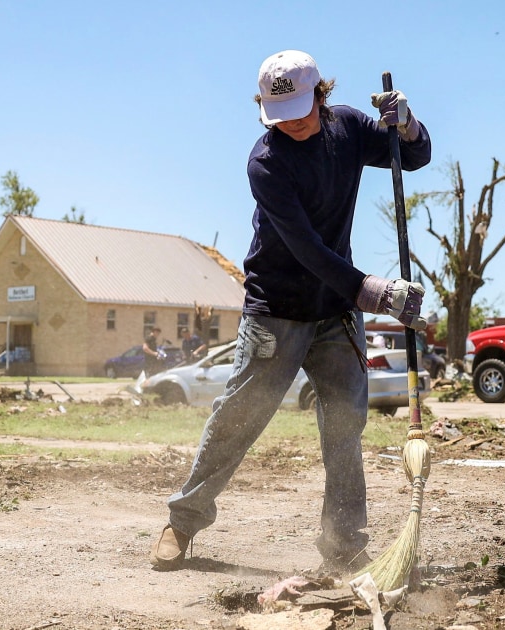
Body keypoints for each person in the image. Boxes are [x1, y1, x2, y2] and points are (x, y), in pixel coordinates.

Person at [151, 49, 431, 572]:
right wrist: (371, 290)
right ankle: (182, 522)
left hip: (335, 311)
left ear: (321, 96)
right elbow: (304, 247)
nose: (292, 124)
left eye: (301, 111)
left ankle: (344, 543)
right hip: (275, 309)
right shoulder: (267, 161)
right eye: (278, 116)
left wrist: (408, 125)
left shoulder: (347, 128)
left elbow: (412, 158)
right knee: (239, 417)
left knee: (344, 425)